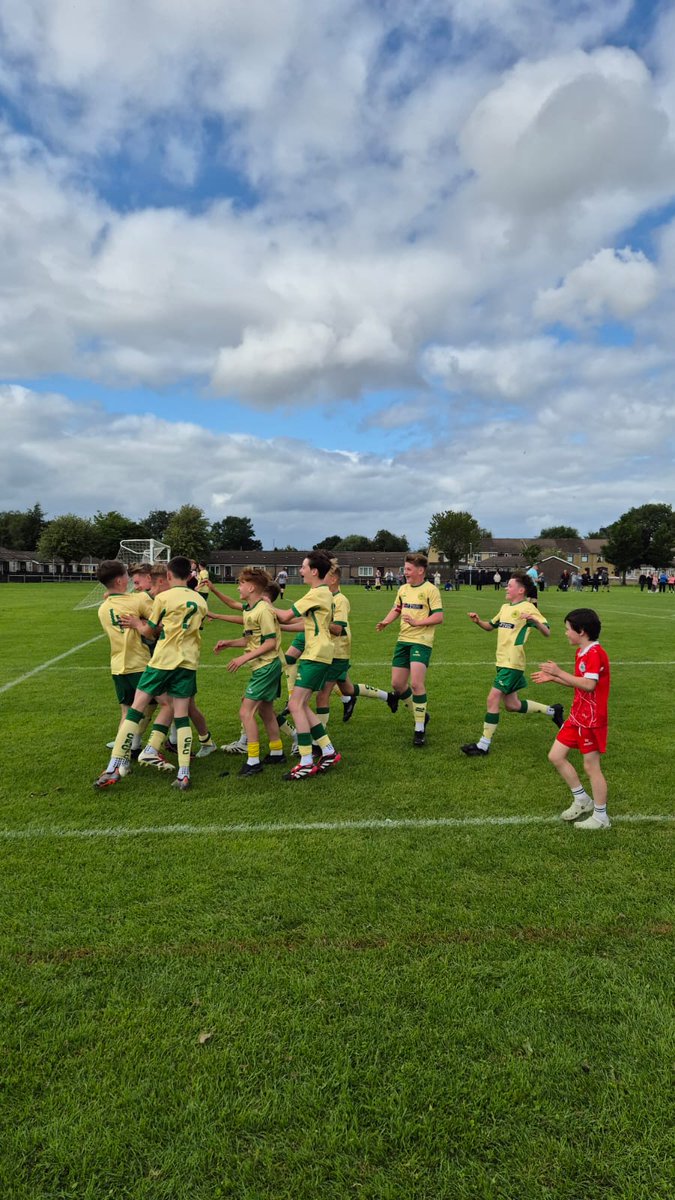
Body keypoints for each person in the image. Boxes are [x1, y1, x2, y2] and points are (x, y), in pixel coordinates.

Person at [94, 556, 208, 792]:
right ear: (190, 576)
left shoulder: (162, 598)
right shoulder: (200, 600)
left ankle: (115, 765)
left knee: (136, 709)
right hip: (188, 662)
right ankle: (183, 773)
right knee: (180, 714)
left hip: (160, 661)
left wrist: (138, 624)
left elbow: (149, 630)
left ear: (168, 576)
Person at [460, 572, 563, 757]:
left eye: (510, 586)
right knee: (512, 705)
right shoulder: (505, 607)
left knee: (492, 699)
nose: (506, 588)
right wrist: (478, 621)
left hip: (513, 662)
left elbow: (547, 631)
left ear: (521, 590)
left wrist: (534, 621)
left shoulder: (528, 607)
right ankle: (552, 711)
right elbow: (490, 626)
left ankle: (483, 745)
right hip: (501, 661)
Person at [532, 608, 611, 830]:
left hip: (592, 719)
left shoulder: (595, 653)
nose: (566, 633)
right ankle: (582, 800)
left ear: (582, 631)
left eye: (568, 629)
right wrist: (554, 678)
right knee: (556, 756)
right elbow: (579, 682)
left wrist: (558, 671)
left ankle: (601, 817)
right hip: (578, 716)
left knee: (591, 766)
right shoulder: (582, 652)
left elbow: (589, 684)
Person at [273, 550, 340, 780]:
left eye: (302, 567)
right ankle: (328, 751)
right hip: (319, 653)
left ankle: (305, 760)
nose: (300, 571)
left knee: (295, 705)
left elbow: (284, 615)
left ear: (314, 571)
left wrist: (262, 605)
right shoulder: (321, 593)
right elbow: (305, 624)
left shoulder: (316, 594)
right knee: (301, 705)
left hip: (316, 655)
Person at [213, 568, 285, 777]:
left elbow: (270, 643)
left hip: (266, 666)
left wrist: (243, 657)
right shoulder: (249, 609)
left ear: (251, 587)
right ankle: (277, 751)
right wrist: (229, 643)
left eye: (241, 583)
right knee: (265, 711)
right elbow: (249, 640)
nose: (238, 587)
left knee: (246, 712)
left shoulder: (263, 610)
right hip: (264, 665)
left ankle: (253, 761)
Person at [315, 564, 398, 725]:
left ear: (333, 579)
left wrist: (316, 621)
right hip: (329, 650)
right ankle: (389, 697)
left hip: (337, 651)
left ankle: (319, 743)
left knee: (322, 694)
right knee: (348, 689)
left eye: (323, 575)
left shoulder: (339, 600)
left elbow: (337, 628)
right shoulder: (324, 597)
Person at [375, 552, 443, 747]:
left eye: (408, 569)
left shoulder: (431, 590)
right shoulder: (403, 589)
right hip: (403, 640)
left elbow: (439, 617)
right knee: (397, 684)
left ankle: (419, 728)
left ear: (420, 570)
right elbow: (397, 608)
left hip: (421, 640)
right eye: (405, 569)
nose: (405, 572)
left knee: (416, 684)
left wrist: (417, 622)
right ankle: (422, 714)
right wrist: (386, 622)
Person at [95, 559, 155, 761]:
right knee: (171, 702)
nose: (130, 580)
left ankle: (121, 757)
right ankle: (154, 748)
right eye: (127, 576)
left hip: (118, 667)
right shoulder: (136, 601)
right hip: (139, 664)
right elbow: (158, 623)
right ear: (120, 580)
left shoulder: (103, 609)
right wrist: (144, 624)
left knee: (127, 712)